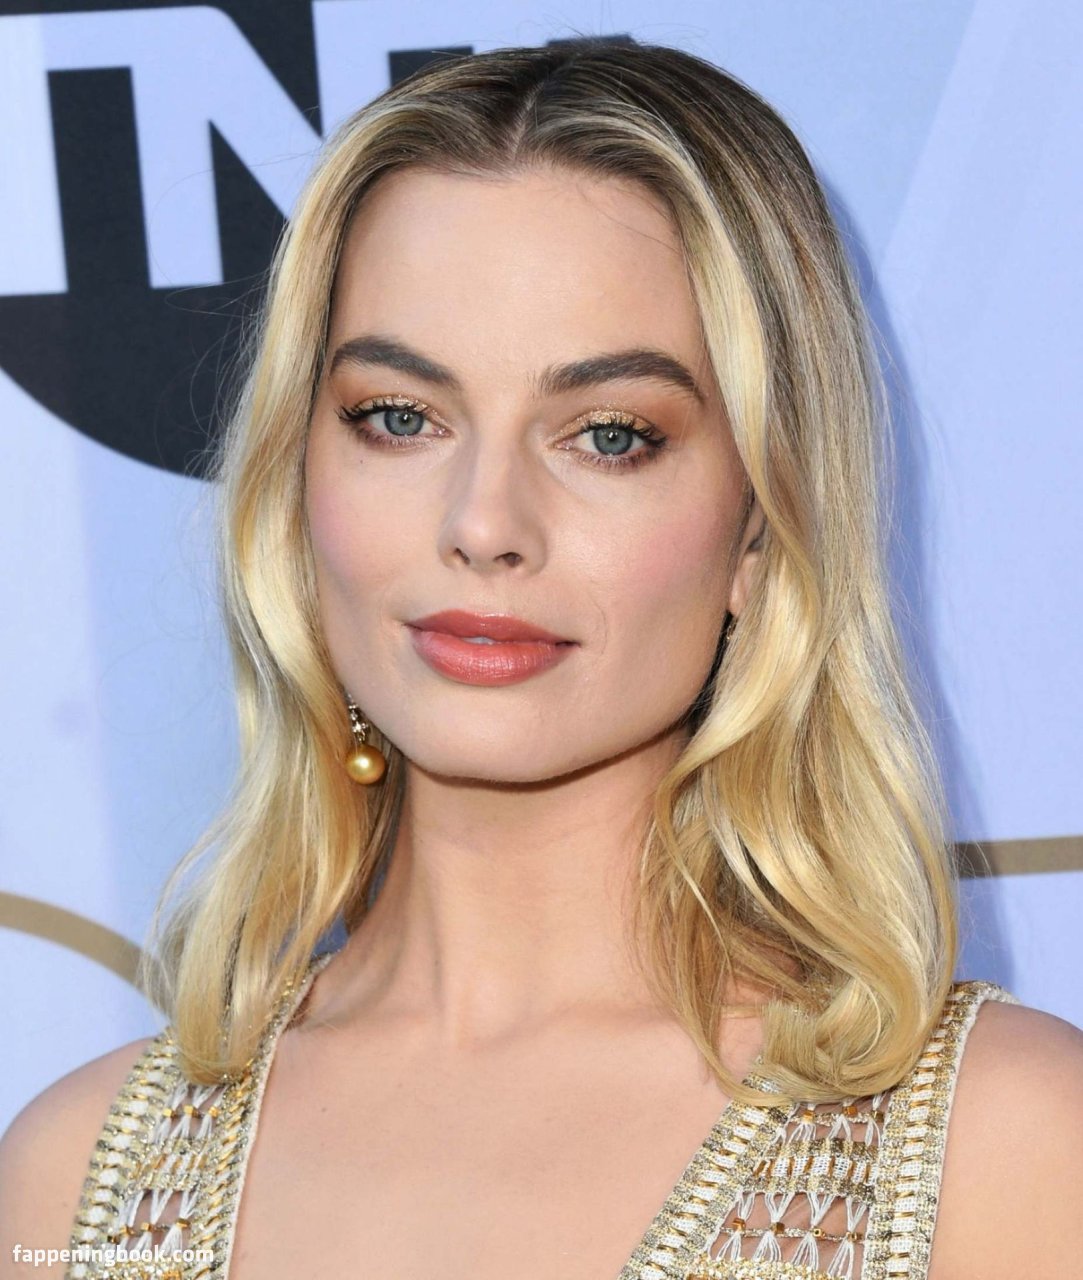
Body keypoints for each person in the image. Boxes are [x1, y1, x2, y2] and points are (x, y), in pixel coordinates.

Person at [1, 37, 1081, 1280]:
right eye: (397, 417)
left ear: (759, 526)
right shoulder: (78, 1176)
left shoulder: (1009, 1152)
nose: (483, 523)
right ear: (296, 483)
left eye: (609, 435)